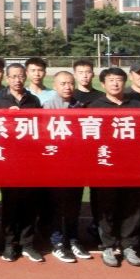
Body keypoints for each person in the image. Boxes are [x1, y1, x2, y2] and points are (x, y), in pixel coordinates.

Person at [88, 67, 140, 268]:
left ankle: (129, 245)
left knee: (132, 206)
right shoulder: (94, 106)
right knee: (105, 206)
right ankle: (108, 245)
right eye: (111, 80)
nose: (115, 83)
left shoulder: (138, 104)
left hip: (132, 165)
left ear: (125, 82)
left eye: (119, 80)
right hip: (105, 165)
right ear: (103, 84)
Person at [0, 62, 43, 262]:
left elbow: (40, 127)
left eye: (21, 76)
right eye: (13, 76)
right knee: (10, 204)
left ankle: (27, 243)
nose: (17, 80)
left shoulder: (34, 100)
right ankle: (10, 243)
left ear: (25, 77)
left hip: (29, 159)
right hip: (8, 160)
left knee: (30, 203)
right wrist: (8, 118)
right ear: (7, 78)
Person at [42, 71, 85, 264]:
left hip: (76, 165)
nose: (67, 87)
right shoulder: (48, 106)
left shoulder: (81, 105)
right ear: (55, 85)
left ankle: (73, 238)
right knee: (57, 205)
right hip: (55, 165)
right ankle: (57, 242)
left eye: (70, 83)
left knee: (74, 205)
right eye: (63, 83)